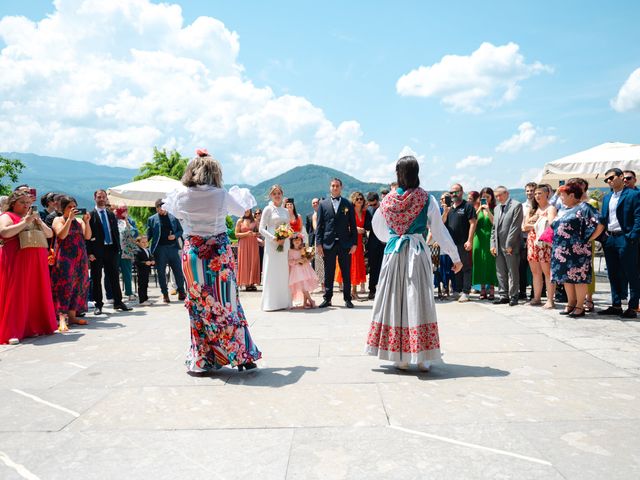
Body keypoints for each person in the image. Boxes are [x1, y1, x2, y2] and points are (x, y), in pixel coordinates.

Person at [162, 149, 261, 373]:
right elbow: (242, 210)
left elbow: (178, 215)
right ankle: (240, 355)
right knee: (227, 303)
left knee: (199, 306)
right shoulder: (220, 195)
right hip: (219, 253)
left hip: (193, 255)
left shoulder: (180, 194)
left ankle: (203, 360)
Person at [365, 156, 462, 371]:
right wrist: (454, 256)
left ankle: (399, 356)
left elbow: (378, 228)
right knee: (418, 299)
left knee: (394, 300)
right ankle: (422, 356)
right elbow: (438, 230)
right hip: (416, 252)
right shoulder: (426, 198)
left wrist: (393, 237)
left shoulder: (388, 200)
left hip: (394, 253)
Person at [0, 190, 57, 344]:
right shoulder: (7, 216)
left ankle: (32, 326)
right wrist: (24, 222)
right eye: (22, 203)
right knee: (16, 292)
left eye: (28, 203)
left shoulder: (33, 216)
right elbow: (4, 232)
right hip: (16, 259)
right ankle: (13, 330)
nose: (26, 206)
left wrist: (38, 222)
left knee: (33, 291)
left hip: (36, 260)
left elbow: (49, 234)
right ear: (13, 204)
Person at [551, 182, 603, 317]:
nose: (561, 198)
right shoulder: (563, 209)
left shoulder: (584, 207)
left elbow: (600, 223)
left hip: (578, 250)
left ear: (572, 195)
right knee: (566, 278)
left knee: (579, 278)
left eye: (563, 196)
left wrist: (590, 239)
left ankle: (580, 306)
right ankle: (571, 303)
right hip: (561, 248)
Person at [598, 168, 640, 319]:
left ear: (621, 177)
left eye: (611, 177)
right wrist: (601, 237)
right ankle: (616, 305)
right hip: (610, 239)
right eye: (606, 180)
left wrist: (632, 237)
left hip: (626, 238)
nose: (609, 181)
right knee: (613, 273)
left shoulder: (634, 195)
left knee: (631, 273)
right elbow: (603, 219)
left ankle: (633, 307)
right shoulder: (607, 197)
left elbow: (638, 217)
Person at [86, 190, 132, 315]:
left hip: (112, 249)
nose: (101, 199)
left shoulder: (111, 214)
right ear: (94, 198)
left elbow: (115, 232)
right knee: (96, 278)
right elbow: (87, 236)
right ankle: (98, 305)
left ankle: (118, 302)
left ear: (106, 198)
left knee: (114, 277)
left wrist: (118, 248)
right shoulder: (90, 215)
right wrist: (89, 252)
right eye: (99, 197)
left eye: (103, 197)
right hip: (97, 252)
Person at [315, 178, 358, 309]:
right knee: (329, 272)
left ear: (341, 187)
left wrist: (354, 243)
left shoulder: (348, 204)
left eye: (337, 186)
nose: (335, 188)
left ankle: (347, 298)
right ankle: (327, 298)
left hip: (345, 244)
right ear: (330, 188)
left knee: (346, 272)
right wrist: (318, 244)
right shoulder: (323, 204)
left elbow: (353, 225)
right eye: (333, 186)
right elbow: (319, 226)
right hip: (328, 244)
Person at [51, 196, 92, 331]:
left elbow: (87, 236)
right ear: (63, 208)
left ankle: (72, 315)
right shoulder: (59, 219)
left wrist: (87, 222)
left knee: (78, 285)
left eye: (74, 206)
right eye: (69, 207)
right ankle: (61, 318)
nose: (72, 209)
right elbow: (61, 235)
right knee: (64, 286)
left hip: (80, 258)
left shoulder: (79, 220)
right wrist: (69, 219)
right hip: (65, 258)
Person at [522, 185, 557, 308]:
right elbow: (524, 227)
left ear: (547, 194)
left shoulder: (551, 208)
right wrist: (538, 222)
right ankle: (536, 298)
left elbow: (551, 224)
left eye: (539, 193)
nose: (537, 196)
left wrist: (534, 223)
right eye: (535, 193)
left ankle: (550, 300)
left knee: (547, 272)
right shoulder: (532, 209)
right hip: (532, 242)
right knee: (535, 272)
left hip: (544, 242)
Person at [260, 185, 293, 311]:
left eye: (279, 193)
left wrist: (285, 237)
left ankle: (283, 302)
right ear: (271, 195)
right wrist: (274, 238)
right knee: (271, 269)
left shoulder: (285, 211)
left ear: (282, 194)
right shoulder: (268, 209)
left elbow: (289, 227)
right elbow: (261, 229)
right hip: (271, 243)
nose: (277, 195)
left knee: (283, 271)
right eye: (274, 193)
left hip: (284, 243)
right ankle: (271, 303)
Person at [147, 198, 186, 304]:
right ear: (156, 209)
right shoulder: (152, 219)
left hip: (173, 248)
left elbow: (180, 230)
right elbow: (148, 234)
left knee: (178, 271)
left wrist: (175, 236)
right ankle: (165, 294)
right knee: (161, 273)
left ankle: (181, 292)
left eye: (164, 208)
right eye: (160, 208)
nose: (162, 210)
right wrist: (145, 242)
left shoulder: (174, 217)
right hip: (160, 249)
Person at [491, 186, 524, 306]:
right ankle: (503, 295)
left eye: (500, 195)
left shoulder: (516, 205)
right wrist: (493, 244)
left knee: (512, 271)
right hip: (498, 244)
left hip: (511, 244)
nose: (498, 198)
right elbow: (494, 228)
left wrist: (509, 243)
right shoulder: (496, 208)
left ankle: (514, 296)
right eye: (496, 196)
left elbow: (515, 226)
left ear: (507, 193)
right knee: (500, 271)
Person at [444, 183, 477, 302]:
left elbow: (473, 223)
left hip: (464, 242)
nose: (453, 194)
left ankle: (466, 292)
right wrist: (445, 211)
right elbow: (443, 224)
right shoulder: (449, 208)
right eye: (451, 192)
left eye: (456, 192)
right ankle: (457, 290)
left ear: (461, 192)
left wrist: (469, 240)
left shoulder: (467, 206)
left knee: (466, 267)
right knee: (455, 266)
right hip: (452, 244)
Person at [336, 191, 369, 300]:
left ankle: (354, 291)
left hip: (359, 242)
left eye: (361, 199)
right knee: (350, 265)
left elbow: (368, 225)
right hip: (349, 241)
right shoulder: (347, 209)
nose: (359, 200)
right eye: (357, 199)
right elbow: (341, 224)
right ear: (353, 200)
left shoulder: (365, 213)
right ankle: (351, 291)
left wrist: (364, 230)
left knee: (357, 265)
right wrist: (354, 229)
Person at [472, 187, 498, 300]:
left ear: (492, 197)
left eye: (487, 197)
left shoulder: (495, 209)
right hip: (479, 238)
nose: (486, 199)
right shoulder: (476, 209)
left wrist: (487, 210)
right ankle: (482, 289)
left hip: (491, 239)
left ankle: (491, 288)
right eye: (483, 197)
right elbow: (473, 222)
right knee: (479, 262)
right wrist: (479, 210)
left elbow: (495, 223)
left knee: (491, 262)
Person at [115, 205, 139, 301]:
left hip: (127, 250)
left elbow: (135, 234)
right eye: (123, 210)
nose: (126, 212)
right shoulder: (113, 220)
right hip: (115, 251)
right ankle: (116, 294)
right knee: (114, 274)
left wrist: (127, 223)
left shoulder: (130, 220)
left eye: (126, 210)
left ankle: (129, 293)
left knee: (127, 273)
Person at [288, 233, 318, 308]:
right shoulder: (290, 251)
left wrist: (306, 259)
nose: (297, 241)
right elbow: (289, 261)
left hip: (305, 269)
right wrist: (298, 261)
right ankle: (311, 300)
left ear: (301, 241)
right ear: (292, 241)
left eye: (299, 240)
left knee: (305, 286)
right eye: (295, 240)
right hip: (296, 271)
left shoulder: (303, 249)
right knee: (303, 287)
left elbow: (307, 258)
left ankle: (305, 303)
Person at [365, 191, 385, 299]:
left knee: (384, 267)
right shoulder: (368, 210)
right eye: (371, 205)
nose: (373, 207)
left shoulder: (385, 208)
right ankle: (372, 289)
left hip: (385, 242)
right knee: (373, 267)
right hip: (373, 242)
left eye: (375, 205)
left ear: (378, 201)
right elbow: (367, 226)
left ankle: (383, 289)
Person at [235, 209, 260, 291]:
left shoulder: (255, 221)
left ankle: (252, 282)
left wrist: (256, 234)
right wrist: (246, 233)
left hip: (253, 243)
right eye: (244, 209)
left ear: (250, 210)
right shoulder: (240, 221)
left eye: (248, 209)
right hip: (243, 244)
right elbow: (236, 234)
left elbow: (259, 232)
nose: (246, 211)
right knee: (245, 261)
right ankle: (246, 283)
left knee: (253, 261)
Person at [520, 182, 537, 299]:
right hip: (523, 238)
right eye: (528, 191)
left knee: (535, 268)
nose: (530, 193)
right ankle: (522, 291)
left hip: (536, 239)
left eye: (532, 190)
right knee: (521, 266)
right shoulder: (521, 206)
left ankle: (535, 293)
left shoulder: (540, 206)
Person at [134, 236, 154, 305]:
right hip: (141, 271)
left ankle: (145, 299)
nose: (145, 243)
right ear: (138, 243)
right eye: (143, 242)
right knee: (142, 285)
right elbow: (136, 262)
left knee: (145, 285)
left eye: (146, 242)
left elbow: (150, 257)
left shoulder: (147, 249)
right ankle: (142, 300)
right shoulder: (137, 251)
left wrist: (152, 261)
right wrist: (145, 263)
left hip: (146, 271)